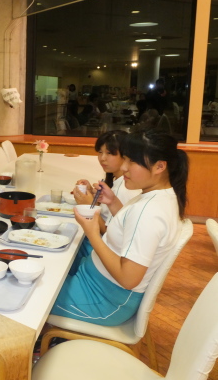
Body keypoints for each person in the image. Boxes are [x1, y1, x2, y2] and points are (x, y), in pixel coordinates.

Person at [51, 129, 188, 326]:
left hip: (103, 299)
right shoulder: (159, 195)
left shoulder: (149, 212)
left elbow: (128, 279)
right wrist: (113, 202)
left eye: (132, 161)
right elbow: (130, 229)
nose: (124, 167)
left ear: (159, 166)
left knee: (34, 298)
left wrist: (92, 233)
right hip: (94, 283)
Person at [73, 130, 141, 235]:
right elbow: (105, 213)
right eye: (100, 152)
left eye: (109, 153)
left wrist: (88, 206)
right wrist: (92, 195)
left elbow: (109, 233)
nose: (102, 158)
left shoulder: (125, 188)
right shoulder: (116, 180)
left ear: (125, 155)